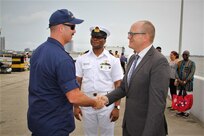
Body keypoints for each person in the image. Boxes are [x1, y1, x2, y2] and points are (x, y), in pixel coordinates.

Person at [27, 9, 103, 136]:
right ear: (61, 28)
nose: (75, 31)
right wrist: (95, 102)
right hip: (54, 126)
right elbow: (74, 97)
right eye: (72, 26)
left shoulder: (38, 51)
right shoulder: (62, 59)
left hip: (38, 122)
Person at [98, 20, 170, 136]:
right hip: (130, 126)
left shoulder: (159, 62)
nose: (128, 37)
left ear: (145, 36)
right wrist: (106, 99)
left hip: (146, 129)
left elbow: (157, 105)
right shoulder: (133, 59)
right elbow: (124, 88)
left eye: (132, 34)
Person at [74, 26, 123, 136]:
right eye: (93, 36)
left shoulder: (113, 60)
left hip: (107, 104)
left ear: (105, 40)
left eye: (99, 37)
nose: (95, 39)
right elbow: (77, 82)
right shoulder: (82, 59)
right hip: (87, 103)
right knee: (89, 134)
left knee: (107, 134)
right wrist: (76, 106)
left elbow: (118, 85)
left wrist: (117, 107)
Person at [175, 50, 196, 117]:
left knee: (187, 98)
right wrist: (179, 80)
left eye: (186, 55)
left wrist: (185, 81)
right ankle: (181, 110)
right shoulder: (179, 63)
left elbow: (192, 73)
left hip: (188, 84)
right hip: (180, 84)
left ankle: (186, 112)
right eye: (183, 55)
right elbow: (175, 72)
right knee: (180, 97)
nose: (184, 56)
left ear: (188, 55)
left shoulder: (192, 63)